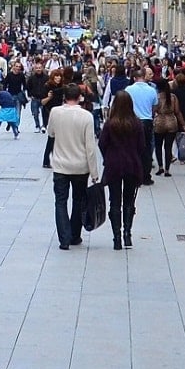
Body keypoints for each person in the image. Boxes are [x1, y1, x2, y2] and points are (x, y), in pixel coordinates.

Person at [48, 84, 102, 250]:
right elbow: (90, 147)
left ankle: (64, 238)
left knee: (60, 201)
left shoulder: (55, 112)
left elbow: (51, 133)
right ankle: (74, 234)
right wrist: (94, 172)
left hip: (60, 164)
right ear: (80, 97)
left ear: (64, 96)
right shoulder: (86, 116)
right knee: (78, 200)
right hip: (80, 166)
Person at [99, 91, 145, 250]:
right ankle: (127, 233)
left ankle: (116, 237)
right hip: (132, 164)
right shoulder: (137, 124)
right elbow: (142, 146)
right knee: (129, 199)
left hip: (114, 164)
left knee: (115, 200)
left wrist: (108, 156)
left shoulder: (110, 124)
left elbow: (102, 143)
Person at [152, 86, 184, 176]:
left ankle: (160, 167)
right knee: (168, 147)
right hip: (171, 122)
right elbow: (177, 111)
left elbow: (153, 110)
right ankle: (167, 169)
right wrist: (184, 124)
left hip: (159, 122)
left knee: (158, 146)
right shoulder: (173, 97)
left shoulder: (157, 97)